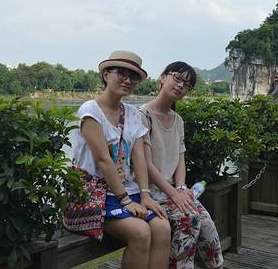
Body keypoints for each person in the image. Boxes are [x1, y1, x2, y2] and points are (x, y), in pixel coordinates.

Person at [70, 50, 171, 269]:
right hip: (95, 195)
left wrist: (145, 194)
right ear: (106, 74)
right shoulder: (90, 111)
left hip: (128, 191)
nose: (127, 80)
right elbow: (103, 160)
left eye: (133, 76)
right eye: (121, 73)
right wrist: (126, 201)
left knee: (163, 227)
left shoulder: (132, 113)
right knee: (141, 232)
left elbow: (139, 157)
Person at [140, 62, 224, 269]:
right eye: (177, 78)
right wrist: (174, 193)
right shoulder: (143, 115)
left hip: (172, 191)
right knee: (189, 221)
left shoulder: (177, 120)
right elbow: (146, 163)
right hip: (151, 192)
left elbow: (180, 158)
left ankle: (217, 266)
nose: (180, 86)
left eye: (187, 84)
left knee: (207, 223)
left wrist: (180, 188)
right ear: (162, 77)